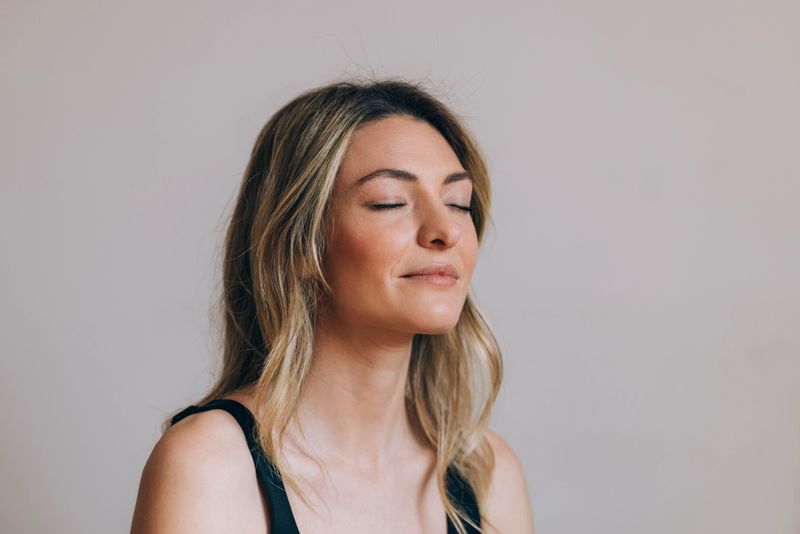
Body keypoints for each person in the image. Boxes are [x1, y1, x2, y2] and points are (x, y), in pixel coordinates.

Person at [130, 77, 535, 534]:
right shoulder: (211, 465)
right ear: (298, 246)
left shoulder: (487, 474)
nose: (446, 230)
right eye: (390, 202)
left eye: (459, 203)